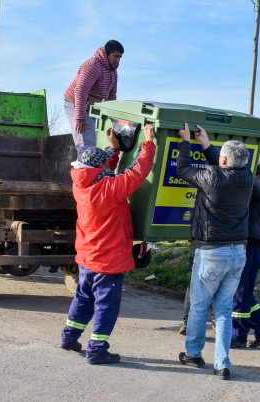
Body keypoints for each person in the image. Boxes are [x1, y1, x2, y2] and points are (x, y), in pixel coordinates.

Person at [60, 124, 156, 365]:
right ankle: (97, 350)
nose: (106, 166)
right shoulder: (111, 189)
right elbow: (137, 173)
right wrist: (149, 142)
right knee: (106, 306)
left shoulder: (80, 186)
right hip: (108, 262)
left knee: (83, 298)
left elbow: (101, 172)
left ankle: (69, 337)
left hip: (87, 259)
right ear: (98, 168)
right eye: (104, 163)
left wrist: (113, 150)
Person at [176, 123, 253, 380]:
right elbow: (226, 164)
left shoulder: (211, 177)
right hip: (237, 253)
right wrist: (206, 143)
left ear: (222, 160)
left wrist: (187, 142)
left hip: (211, 253)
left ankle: (193, 354)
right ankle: (222, 363)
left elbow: (183, 169)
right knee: (223, 310)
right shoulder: (248, 178)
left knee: (199, 306)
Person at [230, 164, 260, 349]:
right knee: (243, 292)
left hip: (252, 249)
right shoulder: (258, 195)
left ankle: (238, 336)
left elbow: (248, 180)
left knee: (240, 293)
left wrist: (238, 164)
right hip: (248, 248)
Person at [64, 40, 124, 158]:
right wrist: (80, 118)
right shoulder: (93, 66)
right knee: (86, 145)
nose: (117, 60)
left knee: (92, 141)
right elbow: (80, 90)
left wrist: (113, 122)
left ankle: (91, 171)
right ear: (107, 54)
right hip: (76, 103)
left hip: (92, 108)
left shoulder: (113, 72)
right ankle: (85, 173)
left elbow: (111, 97)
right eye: (115, 56)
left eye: (120, 57)